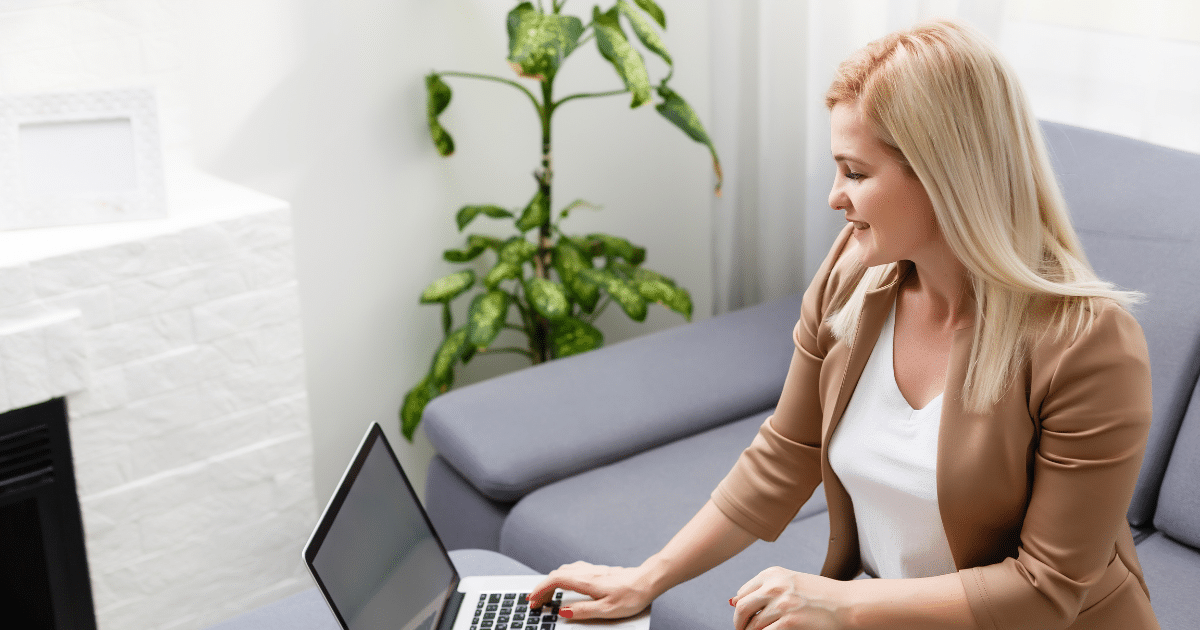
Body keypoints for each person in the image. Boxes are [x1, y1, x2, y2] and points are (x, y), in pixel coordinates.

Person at [525, 19, 1159, 630]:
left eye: (855, 172)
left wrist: (841, 604)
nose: (834, 196)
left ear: (947, 176)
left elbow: (1046, 591)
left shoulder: (1088, 343)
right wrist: (646, 578)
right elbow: (784, 457)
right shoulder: (852, 274)